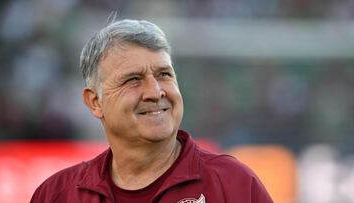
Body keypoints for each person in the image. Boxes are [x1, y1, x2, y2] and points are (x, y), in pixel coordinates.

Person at [30, 19, 273, 203]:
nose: (155, 92)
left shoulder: (233, 184)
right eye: (133, 79)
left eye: (164, 74)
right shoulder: (56, 194)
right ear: (95, 102)